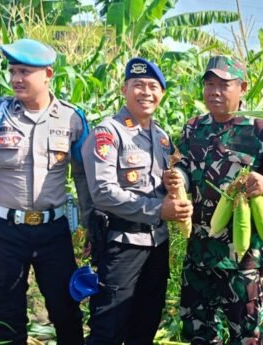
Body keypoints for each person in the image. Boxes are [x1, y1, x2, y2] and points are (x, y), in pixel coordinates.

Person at [0, 38, 92, 345]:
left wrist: (91, 228)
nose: (15, 79)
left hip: (53, 231)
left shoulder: (72, 119)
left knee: (66, 309)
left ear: (48, 74)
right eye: (12, 71)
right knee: (7, 313)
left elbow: (82, 177)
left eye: (24, 72)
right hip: (5, 232)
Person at [165, 56, 263, 344]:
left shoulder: (262, 130)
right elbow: (185, 167)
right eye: (209, 84)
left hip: (243, 259)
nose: (214, 91)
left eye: (223, 85)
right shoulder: (193, 128)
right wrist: (178, 178)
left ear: (243, 88)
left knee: (245, 334)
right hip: (199, 253)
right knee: (197, 332)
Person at [81, 57, 193, 345]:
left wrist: (176, 182)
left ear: (162, 94)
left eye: (153, 86)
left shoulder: (162, 137)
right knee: (108, 328)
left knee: (145, 326)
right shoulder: (109, 133)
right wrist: (159, 209)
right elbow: (103, 192)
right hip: (123, 245)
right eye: (138, 85)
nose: (146, 92)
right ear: (124, 89)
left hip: (157, 246)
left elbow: (177, 171)